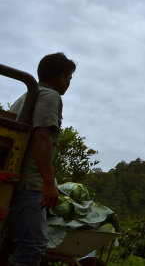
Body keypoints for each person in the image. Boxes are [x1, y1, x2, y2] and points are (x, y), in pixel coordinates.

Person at [0, 53, 75, 266]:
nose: (68, 84)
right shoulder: (50, 96)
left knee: (9, 243)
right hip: (29, 183)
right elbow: (41, 135)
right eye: (69, 78)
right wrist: (48, 182)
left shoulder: (24, 97)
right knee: (34, 246)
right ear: (62, 77)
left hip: (13, 181)